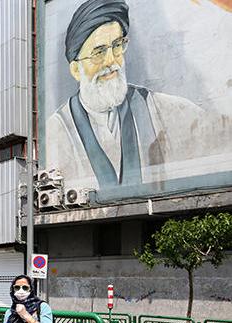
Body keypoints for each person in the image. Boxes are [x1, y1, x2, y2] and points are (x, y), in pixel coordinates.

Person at [46, 0, 205, 191]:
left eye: (117, 45)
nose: (111, 60)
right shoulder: (56, 132)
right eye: (98, 52)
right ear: (76, 70)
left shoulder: (163, 109)